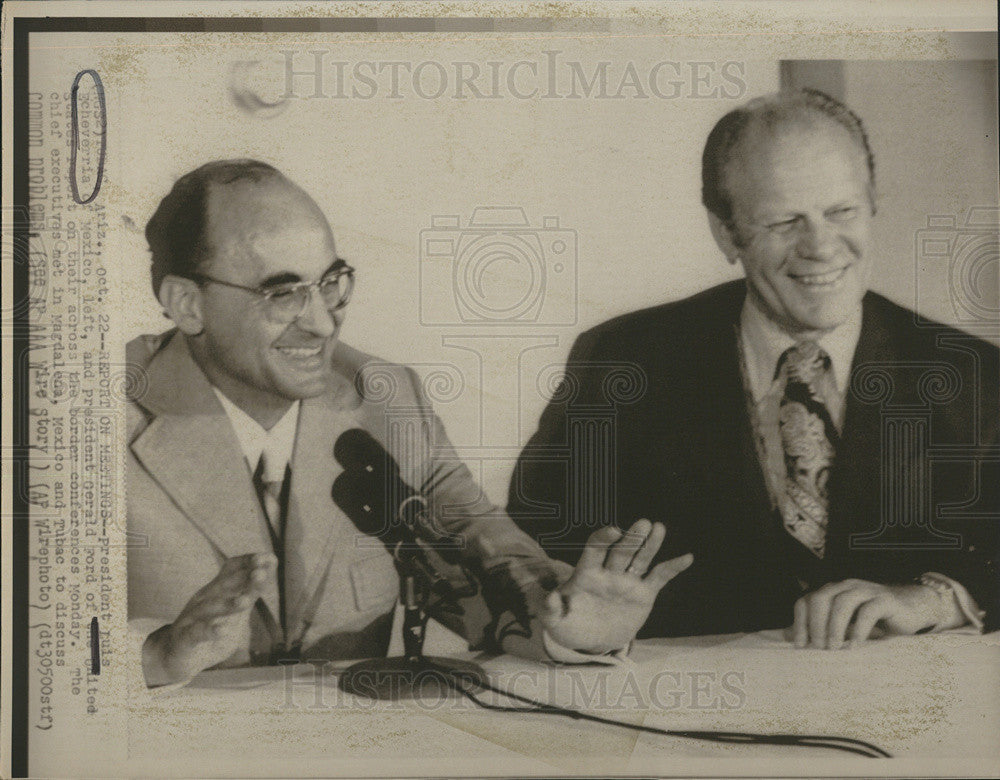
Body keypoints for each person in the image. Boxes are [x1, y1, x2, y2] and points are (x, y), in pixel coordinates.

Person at [127, 160, 694, 687]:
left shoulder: (387, 398)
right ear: (188, 305)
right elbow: (42, 657)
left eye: (331, 283)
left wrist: (565, 622)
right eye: (283, 293)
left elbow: (482, 552)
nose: (324, 325)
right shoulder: (87, 422)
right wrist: (154, 656)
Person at [508, 89, 998, 649]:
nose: (820, 246)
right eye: (783, 221)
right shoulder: (623, 360)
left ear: (873, 205)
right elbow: (527, 551)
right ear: (726, 232)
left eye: (842, 212)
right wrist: (575, 622)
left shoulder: (974, 375)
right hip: (692, 714)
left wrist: (933, 598)